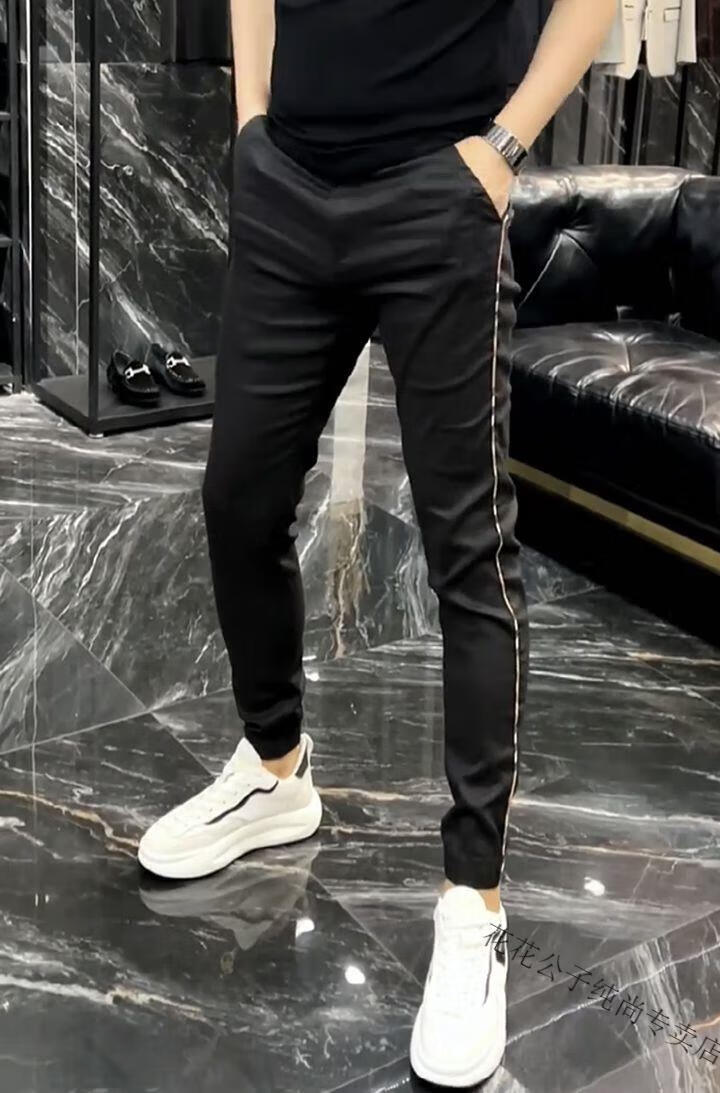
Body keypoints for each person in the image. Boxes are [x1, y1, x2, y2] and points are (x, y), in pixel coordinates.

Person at [139, 0, 616, 1084]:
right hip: (287, 182)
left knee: (469, 554)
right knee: (238, 499)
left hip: (438, 195)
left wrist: (502, 150)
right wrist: (250, 120)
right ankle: (275, 771)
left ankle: (473, 900)